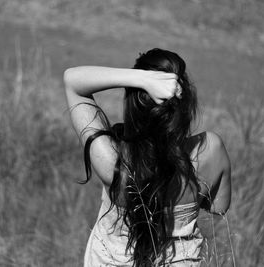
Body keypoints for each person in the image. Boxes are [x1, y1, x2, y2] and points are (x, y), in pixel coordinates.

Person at [63, 48, 231, 267]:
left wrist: (140, 79)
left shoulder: (112, 162)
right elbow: (219, 207)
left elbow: (72, 81)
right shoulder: (211, 149)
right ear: (184, 103)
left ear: (134, 105)